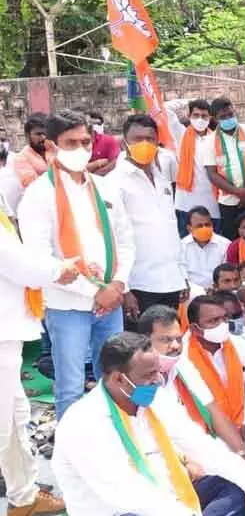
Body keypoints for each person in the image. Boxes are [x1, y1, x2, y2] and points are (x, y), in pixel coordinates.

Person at [52, 332, 245, 516]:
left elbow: (199, 444)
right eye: (148, 375)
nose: (157, 381)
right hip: (122, 510)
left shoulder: (156, 399)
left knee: (235, 488)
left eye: (157, 373)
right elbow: (121, 491)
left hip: (174, 495)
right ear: (118, 379)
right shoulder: (83, 423)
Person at [18, 109, 136, 419]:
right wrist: (96, 291)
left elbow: (125, 242)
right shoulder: (38, 195)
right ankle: (72, 460)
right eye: (71, 143)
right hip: (67, 304)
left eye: (86, 142)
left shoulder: (105, 187)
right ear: (51, 147)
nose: (81, 150)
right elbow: (40, 260)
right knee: (70, 386)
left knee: (114, 379)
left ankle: (115, 443)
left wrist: (118, 284)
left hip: (110, 303)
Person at [0, 194, 75, 516]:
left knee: (15, 419)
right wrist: (62, 268)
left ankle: (25, 496)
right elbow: (19, 264)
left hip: (8, 332)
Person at [136, 306, 245, 458]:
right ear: (145, 341)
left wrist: (243, 453)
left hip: (198, 446)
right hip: (163, 456)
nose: (176, 346)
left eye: (178, 339)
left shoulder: (181, 363)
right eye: (165, 340)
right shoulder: (134, 379)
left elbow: (212, 410)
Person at [110, 114, 188, 320]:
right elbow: (113, 237)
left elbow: (170, 230)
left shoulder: (162, 178)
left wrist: (181, 275)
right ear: (125, 143)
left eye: (150, 139)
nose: (145, 144)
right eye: (138, 139)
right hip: (137, 283)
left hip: (170, 281)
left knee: (167, 346)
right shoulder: (114, 181)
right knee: (139, 348)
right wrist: (124, 289)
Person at [185, 294, 245, 427]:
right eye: (213, 321)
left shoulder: (244, 347)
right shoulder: (182, 356)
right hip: (203, 431)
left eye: (224, 318)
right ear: (195, 329)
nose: (222, 325)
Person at [200, 97, 245, 240]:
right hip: (228, 202)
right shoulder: (209, 141)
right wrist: (238, 192)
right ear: (215, 119)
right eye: (223, 117)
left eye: (230, 114)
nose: (228, 118)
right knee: (233, 241)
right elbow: (212, 174)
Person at [173, 99, 221, 236]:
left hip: (212, 201)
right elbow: (165, 111)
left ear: (210, 118)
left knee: (214, 242)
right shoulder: (180, 134)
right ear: (189, 116)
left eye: (204, 116)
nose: (200, 119)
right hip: (186, 202)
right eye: (196, 115)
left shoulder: (216, 138)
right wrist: (186, 101)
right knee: (186, 245)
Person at [1, 112, 48, 216]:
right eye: (38, 134)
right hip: (35, 214)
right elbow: (36, 187)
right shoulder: (21, 159)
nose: (43, 137)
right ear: (27, 136)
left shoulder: (54, 152)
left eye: (46, 133)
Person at [180, 206, 231, 289]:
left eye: (207, 225)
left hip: (218, 292)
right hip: (191, 293)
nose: (204, 228)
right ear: (189, 228)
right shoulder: (181, 246)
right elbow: (182, 275)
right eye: (199, 226)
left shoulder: (226, 244)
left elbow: (228, 275)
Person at [85, 110, 119, 176]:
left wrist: (94, 178)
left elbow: (115, 163)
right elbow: (72, 170)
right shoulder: (71, 143)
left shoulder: (108, 140)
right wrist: (97, 163)